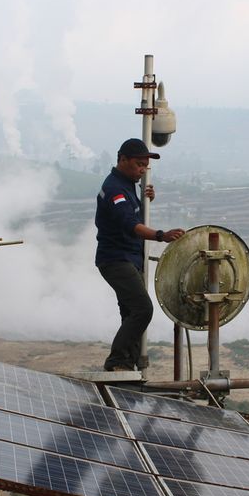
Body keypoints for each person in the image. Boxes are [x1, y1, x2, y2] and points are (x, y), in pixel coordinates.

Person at [95, 138, 185, 371]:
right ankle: (116, 363)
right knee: (142, 309)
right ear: (122, 160)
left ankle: (127, 365)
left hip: (130, 258)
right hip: (117, 259)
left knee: (130, 313)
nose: (143, 169)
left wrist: (146, 201)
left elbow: (133, 216)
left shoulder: (127, 185)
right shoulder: (115, 189)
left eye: (145, 165)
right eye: (138, 164)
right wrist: (161, 235)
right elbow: (129, 224)